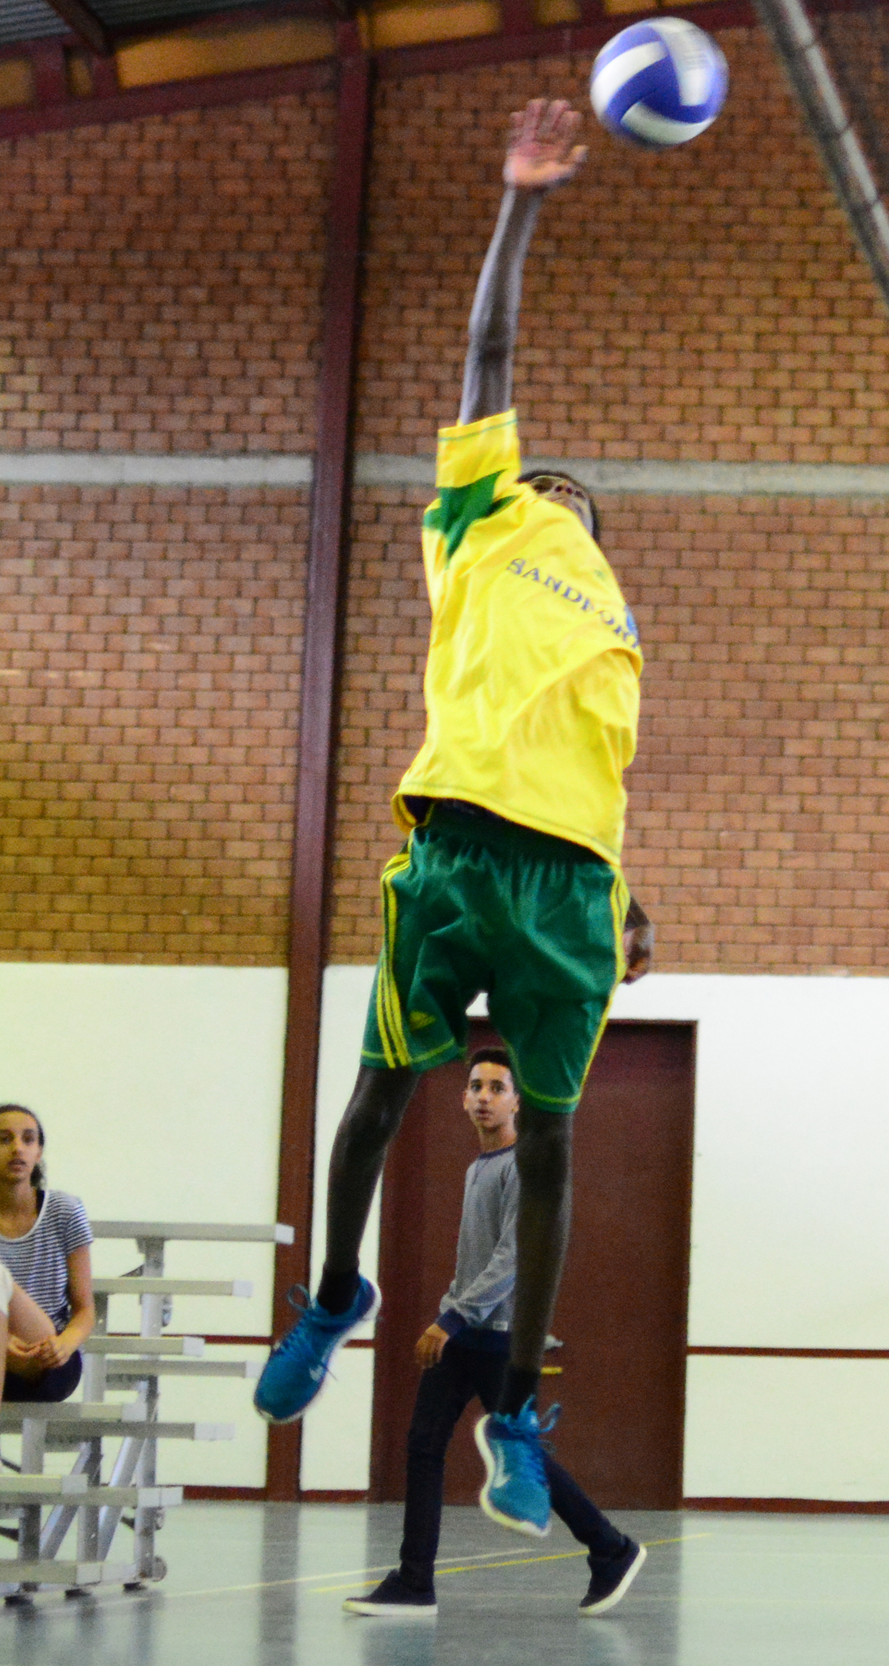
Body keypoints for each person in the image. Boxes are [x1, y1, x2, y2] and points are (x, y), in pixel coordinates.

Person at [254, 99, 656, 1545]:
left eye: (574, 493)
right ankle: (332, 1298)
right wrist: (521, 198)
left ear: (595, 527)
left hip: (569, 886)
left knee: (548, 1144)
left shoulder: (612, 615)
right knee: (377, 1094)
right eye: (544, 476)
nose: (557, 487)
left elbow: (602, 771)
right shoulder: (478, 525)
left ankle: (524, 1415)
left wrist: (627, 892)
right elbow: (489, 355)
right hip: (455, 849)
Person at [345, 1049, 646, 1619]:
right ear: (464, 1098)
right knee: (424, 1446)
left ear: (517, 1100)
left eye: (497, 1088)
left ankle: (611, 1548)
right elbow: (475, 1258)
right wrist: (452, 1311)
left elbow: (512, 1258)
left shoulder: (521, 1165)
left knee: (518, 1453)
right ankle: (414, 1582)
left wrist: (451, 1318)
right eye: (475, 1087)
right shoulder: (476, 1166)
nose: (484, 1097)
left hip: (496, 1336)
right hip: (465, 1332)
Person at [0, 1106, 94, 1403]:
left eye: (28, 1139)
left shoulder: (64, 1210)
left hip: (51, 1359)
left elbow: (85, 1310)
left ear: (38, 1152)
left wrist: (63, 1345)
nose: (18, 1148)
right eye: (4, 1139)